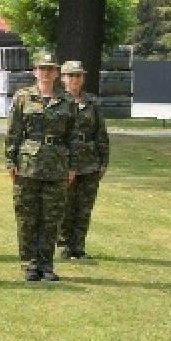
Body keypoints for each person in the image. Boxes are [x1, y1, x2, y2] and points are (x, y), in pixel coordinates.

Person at [5, 53, 74, 282]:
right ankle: (29, 264)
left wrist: (72, 165)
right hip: (28, 166)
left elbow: (72, 137)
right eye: (41, 69)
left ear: (56, 73)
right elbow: (13, 132)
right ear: (35, 72)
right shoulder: (22, 98)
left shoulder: (67, 101)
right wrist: (10, 161)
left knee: (51, 218)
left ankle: (46, 265)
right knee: (27, 216)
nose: (45, 73)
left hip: (56, 165)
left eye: (50, 69)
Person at [57, 60, 110, 260]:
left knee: (84, 207)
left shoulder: (92, 102)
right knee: (65, 206)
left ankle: (78, 247)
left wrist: (104, 161)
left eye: (78, 76)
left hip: (90, 161)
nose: (74, 80)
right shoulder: (57, 101)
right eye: (70, 76)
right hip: (64, 162)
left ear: (83, 78)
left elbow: (100, 133)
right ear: (63, 78)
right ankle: (64, 245)